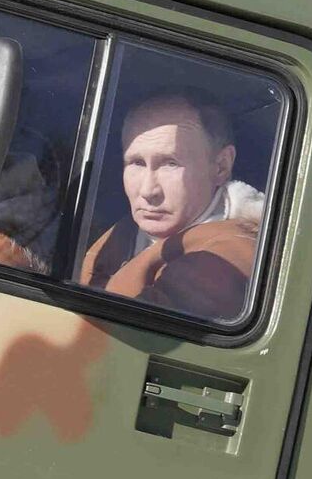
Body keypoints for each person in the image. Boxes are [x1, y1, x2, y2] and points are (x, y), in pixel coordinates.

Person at [79, 91, 266, 322]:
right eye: (136, 163)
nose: (148, 191)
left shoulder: (224, 258)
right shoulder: (126, 234)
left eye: (170, 164)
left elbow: (110, 336)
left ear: (220, 166)